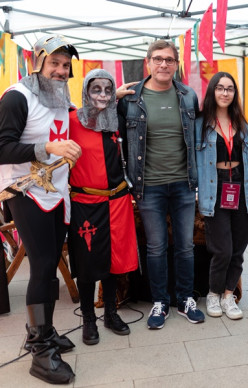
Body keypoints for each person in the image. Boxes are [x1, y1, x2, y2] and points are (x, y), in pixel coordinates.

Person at [0, 34, 80, 384]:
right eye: (55, 64)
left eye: (66, 66)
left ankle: (44, 332)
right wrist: (47, 147)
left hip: (58, 192)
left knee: (50, 269)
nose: (62, 71)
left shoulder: (61, 96)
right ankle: (39, 351)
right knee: (43, 266)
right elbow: (2, 147)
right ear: (38, 63)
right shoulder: (17, 96)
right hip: (27, 192)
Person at [117, 40, 204, 329]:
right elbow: (103, 127)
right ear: (148, 62)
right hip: (148, 186)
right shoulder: (131, 99)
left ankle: (184, 300)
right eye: (158, 59)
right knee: (156, 247)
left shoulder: (188, 96)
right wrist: (109, 98)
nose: (163, 64)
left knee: (185, 246)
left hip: (183, 184)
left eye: (169, 60)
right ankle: (160, 302)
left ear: (176, 64)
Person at [68, 69, 138, 345]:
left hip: (118, 201)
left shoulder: (116, 120)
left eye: (108, 90)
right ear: (85, 91)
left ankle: (111, 313)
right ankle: (88, 319)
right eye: (95, 89)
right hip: (86, 202)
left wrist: (117, 98)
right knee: (88, 264)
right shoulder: (72, 121)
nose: (102, 95)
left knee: (112, 263)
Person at [196, 72, 248, 320]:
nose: (225, 93)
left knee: (238, 247)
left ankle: (229, 295)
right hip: (214, 187)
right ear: (212, 91)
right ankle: (214, 293)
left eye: (230, 89)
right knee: (222, 248)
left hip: (241, 185)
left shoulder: (241, 123)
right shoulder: (201, 123)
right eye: (220, 88)